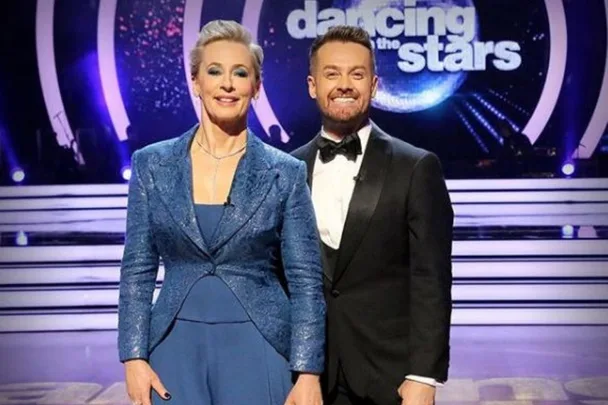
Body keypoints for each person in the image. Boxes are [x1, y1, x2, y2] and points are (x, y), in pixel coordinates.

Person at [118, 20, 325, 405]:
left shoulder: (285, 172)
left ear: (256, 86)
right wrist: (133, 357)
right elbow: (137, 270)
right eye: (214, 71)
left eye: (240, 73)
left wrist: (308, 372)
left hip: (260, 346)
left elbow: (306, 280)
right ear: (195, 81)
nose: (227, 84)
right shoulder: (151, 165)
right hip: (173, 350)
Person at [292, 26, 454, 405]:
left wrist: (423, 375)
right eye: (332, 74)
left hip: (391, 379)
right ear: (313, 86)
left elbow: (431, 279)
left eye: (357, 74)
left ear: (375, 85)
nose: (344, 85)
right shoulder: (288, 170)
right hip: (308, 378)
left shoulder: (416, 167)